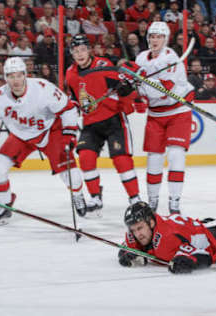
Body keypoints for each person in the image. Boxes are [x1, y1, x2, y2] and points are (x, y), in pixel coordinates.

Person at [0, 57, 88, 226]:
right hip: (21, 136)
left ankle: (77, 195)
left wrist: (69, 135)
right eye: (11, 76)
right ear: (5, 77)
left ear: (25, 74)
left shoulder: (42, 88)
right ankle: (4, 205)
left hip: (50, 131)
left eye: (19, 75)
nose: (15, 81)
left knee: (71, 176)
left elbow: (68, 110)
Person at [65, 34, 143, 216]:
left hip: (113, 119)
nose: (80, 54)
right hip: (91, 123)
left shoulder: (104, 65)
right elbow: (75, 100)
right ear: (72, 53)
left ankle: (135, 199)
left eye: (83, 49)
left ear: (89, 50)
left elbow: (127, 84)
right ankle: (95, 197)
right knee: (85, 157)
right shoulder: (70, 74)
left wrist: (127, 89)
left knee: (121, 160)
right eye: (76, 51)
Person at [131, 22, 195, 214]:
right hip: (156, 114)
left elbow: (162, 89)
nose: (154, 40)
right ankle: (152, 201)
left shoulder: (171, 59)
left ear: (165, 39)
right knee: (154, 158)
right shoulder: (141, 57)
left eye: (159, 37)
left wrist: (143, 82)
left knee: (176, 155)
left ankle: (174, 202)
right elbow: (140, 88)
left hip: (177, 112)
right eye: (152, 36)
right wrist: (139, 96)